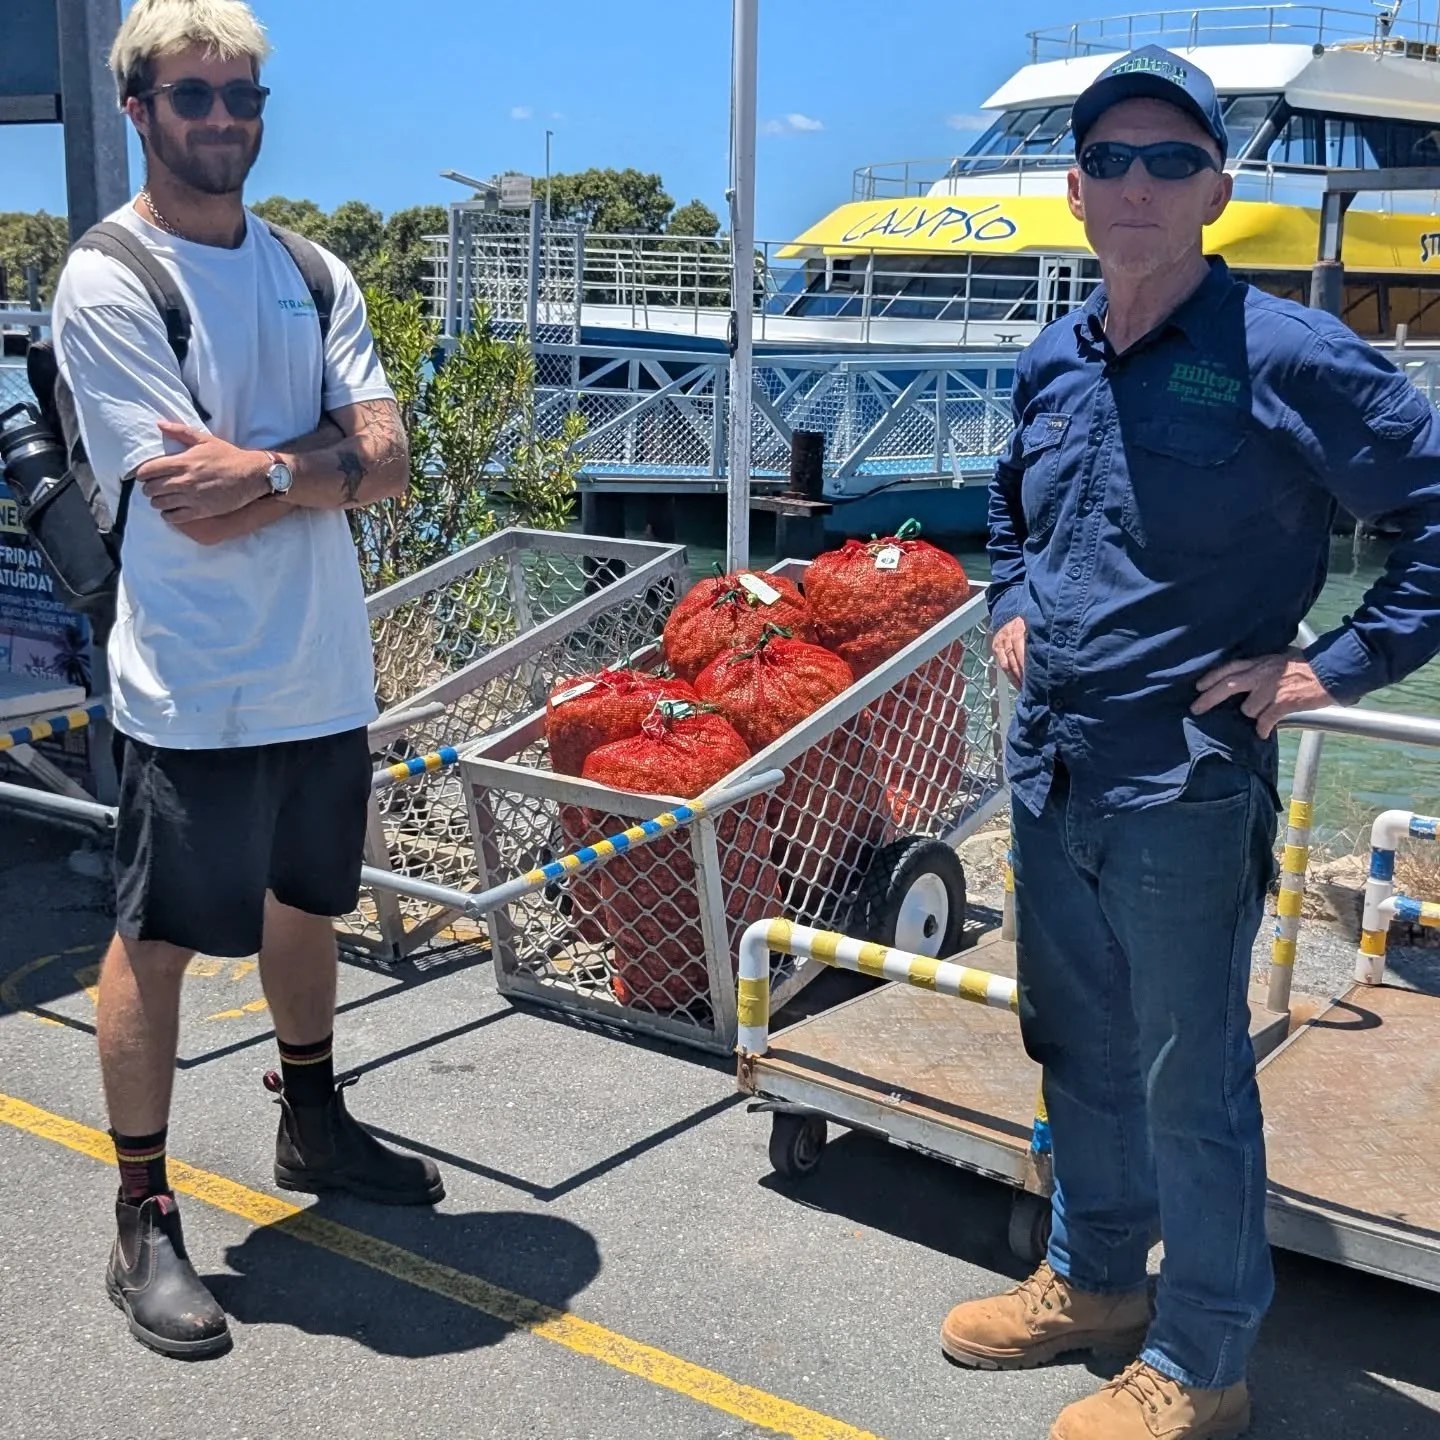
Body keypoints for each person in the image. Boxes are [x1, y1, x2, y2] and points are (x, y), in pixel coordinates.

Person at [940, 44, 1440, 1440]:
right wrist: (1015, 600)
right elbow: (1011, 510)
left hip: (1183, 786)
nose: (1139, 183)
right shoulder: (1057, 354)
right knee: (1077, 1045)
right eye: (1112, 159)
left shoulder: (1284, 353)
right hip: (1056, 767)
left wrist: (1328, 667)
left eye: (1173, 159)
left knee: (1189, 1075)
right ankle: (1093, 1282)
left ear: (1217, 188)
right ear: (1078, 189)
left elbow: (1435, 516)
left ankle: (1202, 1360)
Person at [51, 0, 442, 1360]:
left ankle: (313, 1120)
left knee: (305, 905)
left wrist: (274, 468)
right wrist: (318, 466)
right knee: (157, 940)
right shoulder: (107, 281)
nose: (224, 117)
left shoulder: (313, 270)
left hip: (321, 678)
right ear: (139, 108)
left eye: (243, 93)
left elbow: (386, 464)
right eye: (194, 93)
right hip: (195, 689)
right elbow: (185, 505)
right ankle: (143, 1214)